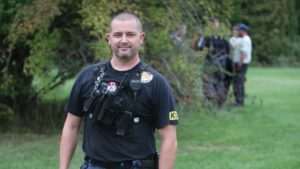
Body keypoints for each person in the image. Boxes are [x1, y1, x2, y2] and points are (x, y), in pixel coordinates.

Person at [59, 12, 179, 169]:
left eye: (130, 34)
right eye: (117, 35)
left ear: (141, 38)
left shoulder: (156, 83)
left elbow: (169, 138)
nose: (124, 40)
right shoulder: (87, 76)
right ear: (108, 38)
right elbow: (71, 126)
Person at [192, 19, 230, 107]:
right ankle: (218, 102)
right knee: (218, 82)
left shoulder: (207, 37)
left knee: (212, 82)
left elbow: (199, 48)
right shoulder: (223, 36)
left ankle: (211, 102)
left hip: (212, 63)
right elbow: (228, 51)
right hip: (220, 63)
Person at [232, 23, 252, 106]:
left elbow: (243, 54)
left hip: (242, 64)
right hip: (241, 63)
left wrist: (239, 65)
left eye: (239, 30)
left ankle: (239, 102)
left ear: (243, 31)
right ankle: (238, 101)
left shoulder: (245, 40)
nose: (238, 31)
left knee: (239, 83)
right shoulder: (244, 39)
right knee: (238, 82)